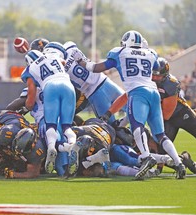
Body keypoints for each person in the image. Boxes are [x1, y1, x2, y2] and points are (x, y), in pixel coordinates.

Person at [73, 30, 186, 180]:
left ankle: (146, 157)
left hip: (137, 92)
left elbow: (96, 68)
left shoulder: (119, 53)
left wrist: (81, 62)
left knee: (137, 126)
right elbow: (155, 66)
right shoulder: (150, 53)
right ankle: (179, 164)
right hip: (153, 92)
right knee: (160, 134)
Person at [21, 42, 80, 176]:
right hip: (68, 85)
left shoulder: (31, 70)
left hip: (50, 90)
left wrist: (26, 107)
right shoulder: (53, 56)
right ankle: (72, 145)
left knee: (50, 127)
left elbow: (29, 101)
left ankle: (53, 148)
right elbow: (64, 63)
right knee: (67, 127)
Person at [63, 41, 126, 124]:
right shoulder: (71, 47)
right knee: (133, 110)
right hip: (104, 82)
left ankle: (123, 128)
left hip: (94, 92)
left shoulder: (58, 65)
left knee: (110, 126)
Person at [151, 57, 196, 142]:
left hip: (181, 113)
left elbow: (167, 114)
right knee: (161, 150)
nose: (154, 78)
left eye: (158, 76)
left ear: (165, 74)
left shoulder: (171, 83)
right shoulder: (147, 81)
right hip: (167, 119)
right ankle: (182, 156)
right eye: (153, 75)